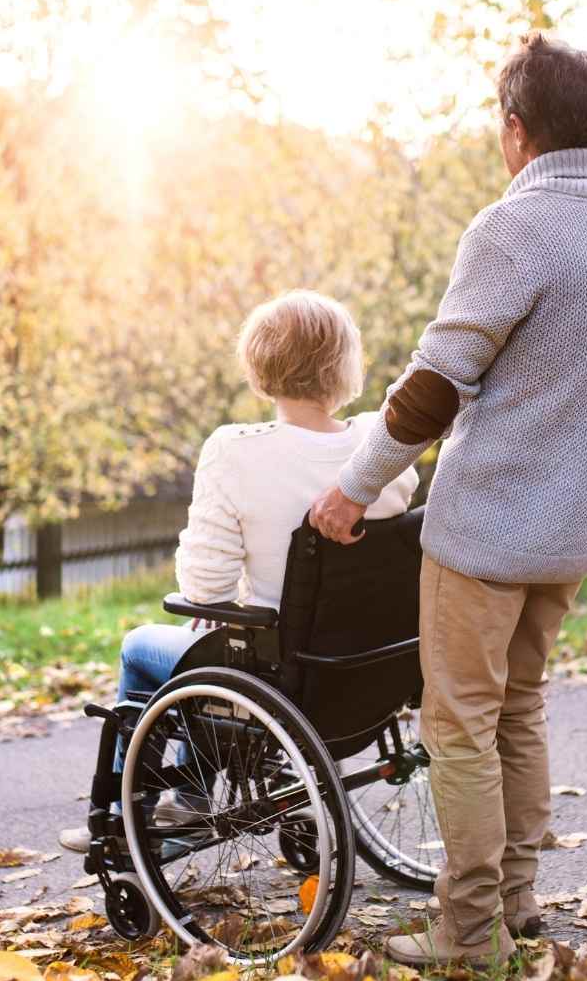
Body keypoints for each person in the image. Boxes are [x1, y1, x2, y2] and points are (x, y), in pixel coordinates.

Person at [310, 33, 587, 966]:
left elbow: (435, 386)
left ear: (516, 130)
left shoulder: (513, 229)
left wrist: (355, 488)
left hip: (487, 530)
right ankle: (514, 904)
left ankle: (469, 935)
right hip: (573, 529)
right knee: (521, 709)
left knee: (458, 725)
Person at [58, 289, 419, 853]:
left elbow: (204, 588)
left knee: (142, 646)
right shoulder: (382, 448)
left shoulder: (234, 451)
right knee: (222, 645)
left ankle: (157, 807)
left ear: (260, 366)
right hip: (371, 668)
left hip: (284, 675)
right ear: (345, 364)